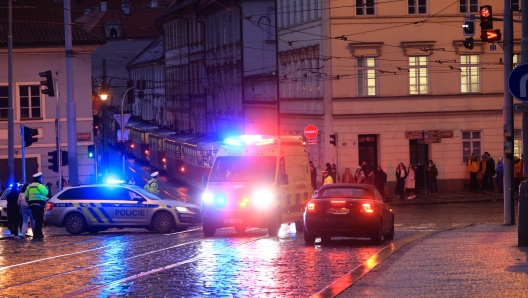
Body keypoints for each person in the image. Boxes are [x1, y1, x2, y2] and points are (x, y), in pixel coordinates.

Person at [25, 172, 49, 240]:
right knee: (39, 220)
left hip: (32, 205)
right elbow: (46, 193)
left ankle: (38, 234)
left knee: (36, 219)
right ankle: (37, 234)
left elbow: (26, 196)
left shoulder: (29, 186)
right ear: (39, 178)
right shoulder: (40, 185)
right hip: (39, 205)